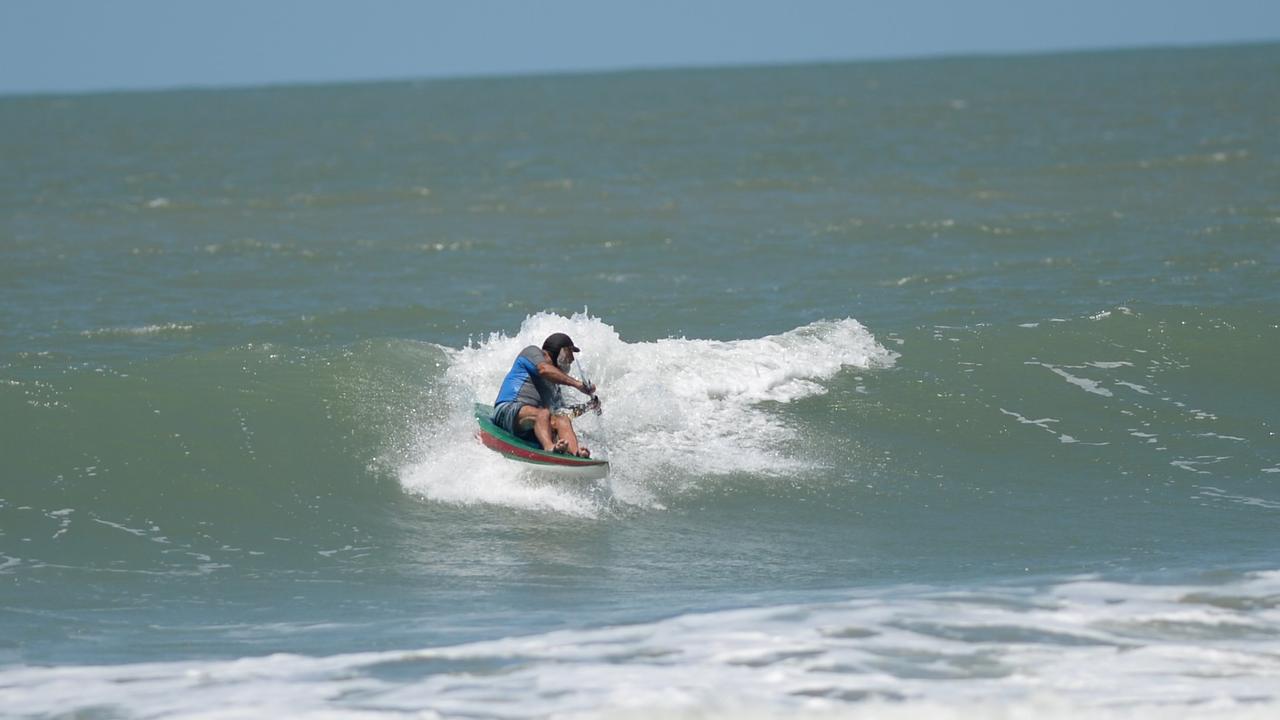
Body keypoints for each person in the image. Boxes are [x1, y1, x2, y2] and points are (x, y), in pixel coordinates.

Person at [491, 333, 598, 457]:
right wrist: (577, 384)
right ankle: (549, 448)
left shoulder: (555, 385)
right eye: (570, 352)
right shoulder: (533, 353)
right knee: (543, 413)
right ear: (561, 350)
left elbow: (563, 412)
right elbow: (544, 369)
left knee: (562, 419)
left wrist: (589, 406)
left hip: (531, 424)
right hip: (507, 410)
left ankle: (575, 453)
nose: (572, 359)